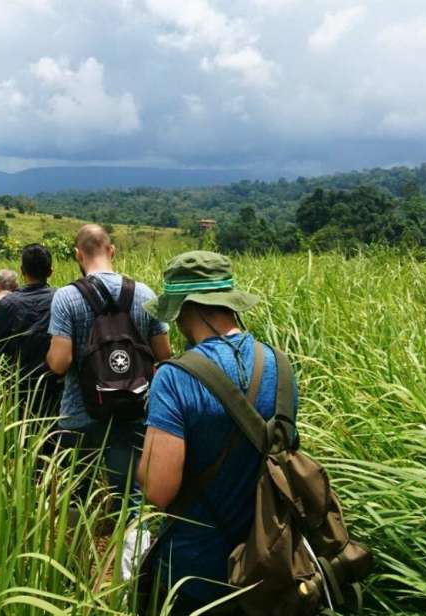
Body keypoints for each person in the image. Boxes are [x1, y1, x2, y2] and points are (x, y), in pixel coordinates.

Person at [136, 250, 299, 614]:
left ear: (185, 307)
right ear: (228, 302)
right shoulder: (281, 364)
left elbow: (158, 491)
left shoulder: (174, 378)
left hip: (195, 572)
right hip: (270, 563)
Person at [46, 224, 172, 506]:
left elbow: (59, 363)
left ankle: (79, 547)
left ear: (78, 255)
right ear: (111, 250)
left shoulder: (66, 297)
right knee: (129, 494)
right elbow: (164, 355)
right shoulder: (144, 294)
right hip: (133, 408)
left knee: (76, 494)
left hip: (80, 414)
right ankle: (131, 547)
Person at [0, 244, 62, 419]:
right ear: (50, 271)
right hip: (56, 388)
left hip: (18, 390)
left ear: (22, 271)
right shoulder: (62, 298)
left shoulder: (7, 304)